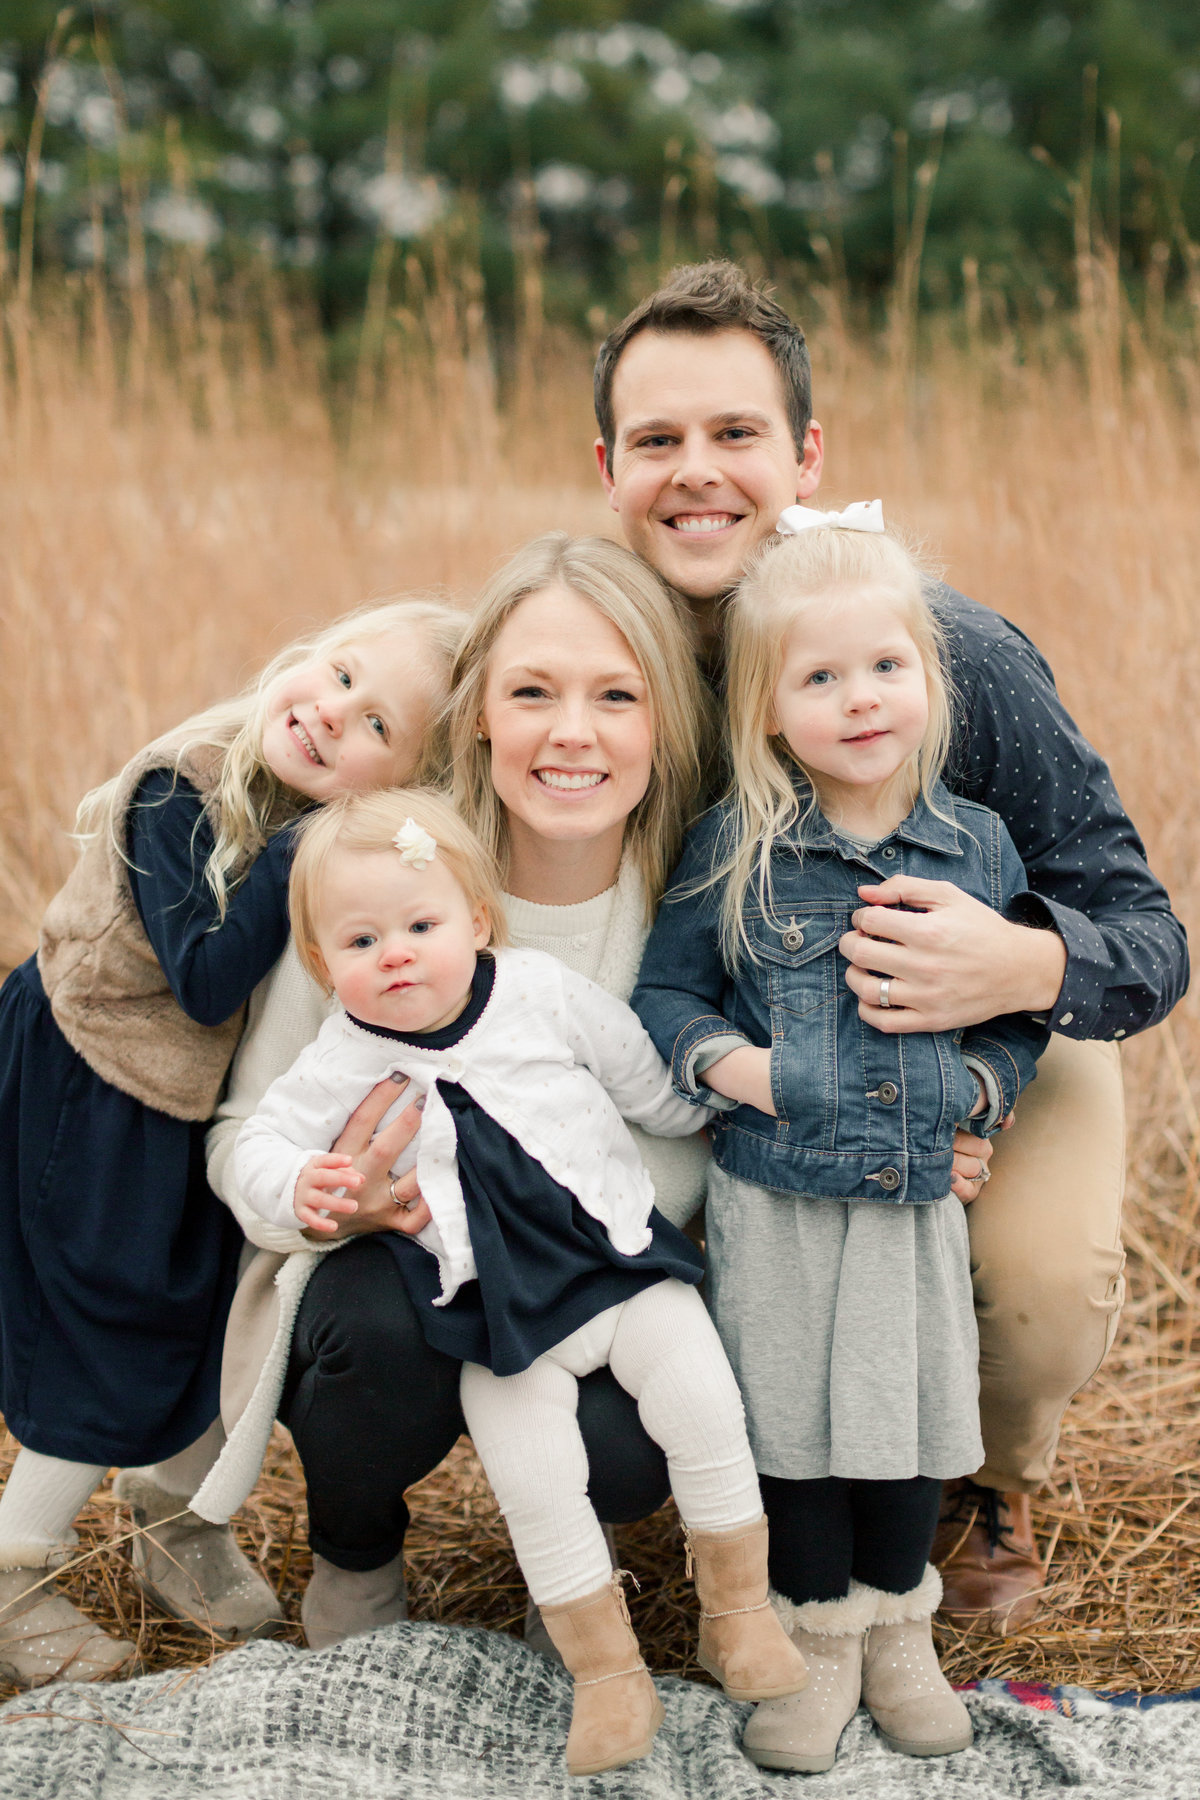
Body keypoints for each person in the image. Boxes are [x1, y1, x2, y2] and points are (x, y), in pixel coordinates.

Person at [591, 261, 1187, 1632]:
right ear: (609, 467)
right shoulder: (599, 656)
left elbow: (1146, 933)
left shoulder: (945, 651)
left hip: (981, 1031)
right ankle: (742, 1487)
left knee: (1038, 1293)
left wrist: (1021, 971)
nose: (698, 472)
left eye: (735, 433)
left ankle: (981, 1475)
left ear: (803, 454)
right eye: (659, 440)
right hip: (736, 1055)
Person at [195, 533, 727, 1656]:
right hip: (408, 1281)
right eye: (531, 691)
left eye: (616, 696)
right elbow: (242, 1133)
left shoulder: (702, 903)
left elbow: (710, 1118)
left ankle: (572, 1562)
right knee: (367, 1339)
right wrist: (328, 1198)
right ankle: (355, 1548)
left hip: (604, 1286)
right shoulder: (382, 883)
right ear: (480, 711)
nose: (571, 732)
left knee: (633, 1439)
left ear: (663, 721)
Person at [235, 787, 808, 1777]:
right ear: (327, 968)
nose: (399, 953)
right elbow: (257, 1142)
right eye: (364, 942)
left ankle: (739, 1615)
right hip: (493, 1314)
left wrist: (737, 1104)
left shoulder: (541, 990)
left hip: (619, 1265)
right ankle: (605, 1677)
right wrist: (304, 1182)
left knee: (705, 1407)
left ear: (477, 923)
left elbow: (648, 1084)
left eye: (422, 925)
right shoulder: (342, 1054)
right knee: (536, 1480)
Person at [633, 511, 1049, 1769]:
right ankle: (816, 1640)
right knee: (795, 1430)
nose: (860, 699)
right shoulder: (737, 849)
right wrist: (735, 1067)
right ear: (768, 709)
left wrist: (981, 1087)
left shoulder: (977, 846)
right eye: (819, 677)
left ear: (928, 680)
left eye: (886, 667)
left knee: (908, 1419)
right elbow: (667, 995)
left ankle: (898, 1630)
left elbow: (1024, 1017)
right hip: (779, 1198)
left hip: (917, 1198)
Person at [0, 597, 464, 1689]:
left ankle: (175, 1520)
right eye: (340, 673)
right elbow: (206, 978)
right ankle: (15, 1570)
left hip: (185, 1107)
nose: (332, 714)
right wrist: (318, 840)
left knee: (210, 1302)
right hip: (91, 1084)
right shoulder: (183, 786)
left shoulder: (327, 821)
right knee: (104, 1326)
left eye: (376, 726)